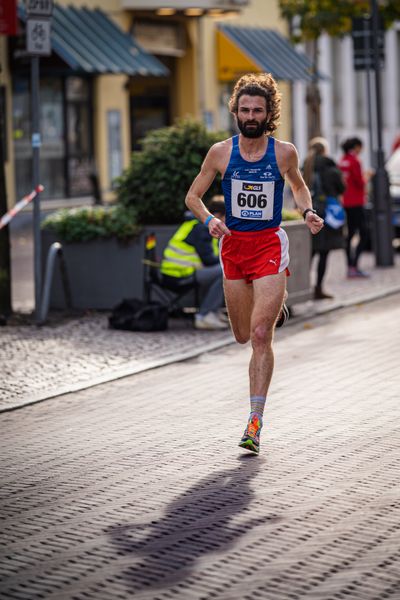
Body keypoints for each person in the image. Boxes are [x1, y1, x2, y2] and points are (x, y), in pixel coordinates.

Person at [185, 73, 323, 454]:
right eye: (244, 109)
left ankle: (254, 423)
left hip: (268, 245)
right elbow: (193, 196)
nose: (250, 115)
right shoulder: (219, 153)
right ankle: (270, 310)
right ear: (235, 111)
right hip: (233, 246)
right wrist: (210, 220)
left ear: (268, 113)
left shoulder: (284, 153)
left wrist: (307, 210)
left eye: (257, 110)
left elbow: (297, 185)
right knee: (243, 334)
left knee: (261, 337)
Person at [161, 198, 228, 330]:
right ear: (218, 216)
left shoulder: (196, 224)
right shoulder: (201, 228)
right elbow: (208, 260)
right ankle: (205, 315)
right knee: (225, 272)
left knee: (222, 271)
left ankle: (212, 312)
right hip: (179, 275)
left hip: (175, 273)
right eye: (226, 217)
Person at [303, 137, 346, 300]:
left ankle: (303, 287)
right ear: (324, 151)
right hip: (326, 214)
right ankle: (318, 289)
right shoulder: (330, 168)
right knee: (324, 252)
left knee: (309, 253)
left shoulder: (306, 166)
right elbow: (342, 188)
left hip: (309, 212)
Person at [338, 137, 370, 278]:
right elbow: (360, 182)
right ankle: (354, 265)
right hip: (357, 202)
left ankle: (349, 266)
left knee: (350, 234)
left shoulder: (343, 160)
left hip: (346, 202)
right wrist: (368, 176)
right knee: (364, 234)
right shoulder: (355, 161)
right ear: (356, 147)